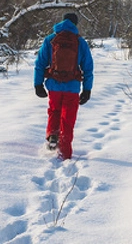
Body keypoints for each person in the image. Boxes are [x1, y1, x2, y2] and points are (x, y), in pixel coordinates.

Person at [34, 13, 94, 160]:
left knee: (54, 111)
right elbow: (88, 67)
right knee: (68, 118)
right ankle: (65, 153)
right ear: (75, 24)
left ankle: (52, 135)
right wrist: (87, 89)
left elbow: (40, 63)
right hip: (72, 87)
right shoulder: (80, 42)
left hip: (54, 86)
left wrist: (38, 84)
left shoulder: (50, 39)